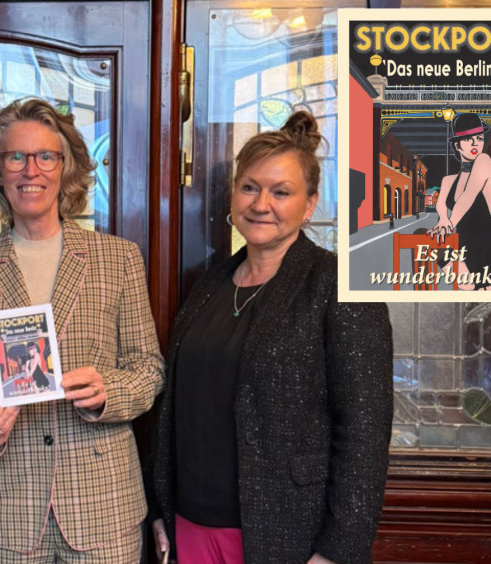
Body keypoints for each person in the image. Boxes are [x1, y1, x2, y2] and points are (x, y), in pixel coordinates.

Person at [150, 112, 393, 564]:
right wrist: (161, 506)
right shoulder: (210, 283)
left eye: (281, 192)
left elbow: (364, 432)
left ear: (309, 204)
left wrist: (339, 549)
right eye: (250, 187)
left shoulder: (337, 285)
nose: (261, 204)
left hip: (287, 533)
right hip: (190, 524)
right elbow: (178, 406)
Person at [0, 98, 164, 562]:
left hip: (103, 508)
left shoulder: (117, 258)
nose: (30, 170)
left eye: (45, 156)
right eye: (14, 157)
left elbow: (149, 369)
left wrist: (108, 392)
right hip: (3, 509)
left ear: (65, 168)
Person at [428, 112, 491, 290]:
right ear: (457, 145)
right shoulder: (448, 180)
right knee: (432, 243)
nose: (476, 143)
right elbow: (441, 204)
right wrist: (443, 217)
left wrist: (449, 224)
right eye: (468, 139)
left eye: (480, 138)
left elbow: (468, 196)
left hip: (490, 249)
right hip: (463, 252)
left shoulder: (483, 161)